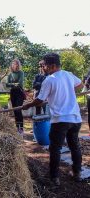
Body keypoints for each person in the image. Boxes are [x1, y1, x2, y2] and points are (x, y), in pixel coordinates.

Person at [23, 53, 83, 186]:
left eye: (44, 65)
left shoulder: (49, 80)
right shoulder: (68, 74)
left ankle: (54, 177)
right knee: (75, 146)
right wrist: (67, 89)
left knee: (55, 148)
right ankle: (77, 173)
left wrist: (28, 105)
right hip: (75, 118)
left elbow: (39, 100)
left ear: (52, 66)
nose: (43, 67)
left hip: (60, 120)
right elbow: (80, 84)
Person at [6, 59, 25, 135]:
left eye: (16, 64)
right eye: (13, 64)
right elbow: (7, 84)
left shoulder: (21, 73)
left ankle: (21, 129)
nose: (15, 65)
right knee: (14, 111)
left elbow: (20, 83)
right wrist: (14, 84)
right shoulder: (10, 74)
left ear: (18, 65)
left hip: (19, 93)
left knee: (18, 110)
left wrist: (12, 84)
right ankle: (17, 128)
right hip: (12, 93)